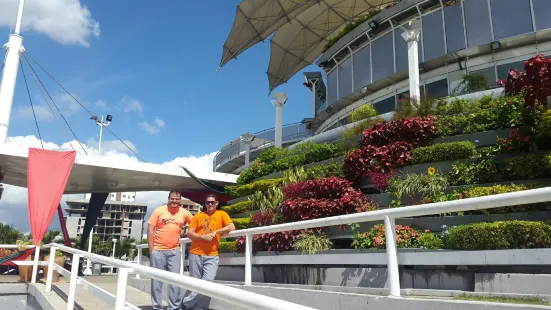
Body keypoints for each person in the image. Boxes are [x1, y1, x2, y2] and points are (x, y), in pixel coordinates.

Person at [182, 193, 235, 310]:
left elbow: (231, 227)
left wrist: (216, 232)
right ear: (205, 204)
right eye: (207, 202)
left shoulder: (222, 214)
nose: (210, 204)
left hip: (212, 255)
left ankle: (186, 303)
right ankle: (197, 307)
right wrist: (202, 237)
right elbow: (190, 233)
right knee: (195, 283)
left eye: (212, 202)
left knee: (208, 281)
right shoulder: (198, 216)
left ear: (217, 203)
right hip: (195, 253)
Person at [148, 190, 193, 310]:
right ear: (168, 199)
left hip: (174, 251)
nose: (174, 201)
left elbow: (195, 223)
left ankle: (174, 307)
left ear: (180, 200)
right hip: (157, 250)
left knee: (174, 282)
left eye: (177, 199)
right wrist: (151, 250)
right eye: (172, 199)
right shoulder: (159, 210)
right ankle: (157, 307)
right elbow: (150, 229)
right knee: (157, 282)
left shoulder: (184, 212)